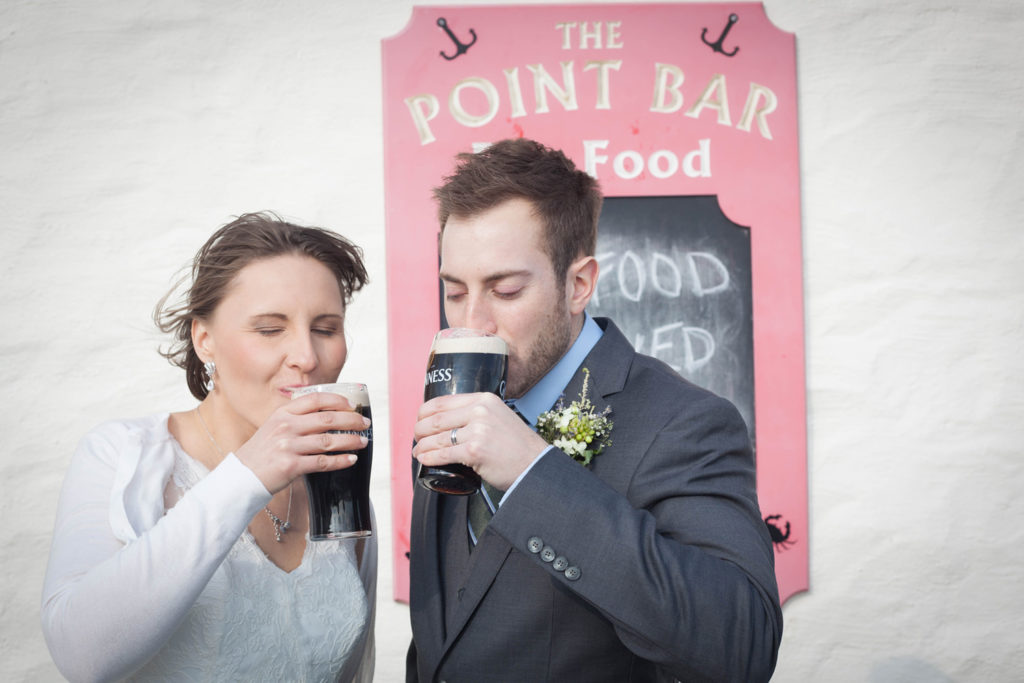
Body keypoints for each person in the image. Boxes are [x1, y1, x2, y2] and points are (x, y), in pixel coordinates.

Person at [407, 139, 783, 682]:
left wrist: (533, 476)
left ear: (579, 284)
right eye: (454, 290)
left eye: (506, 290)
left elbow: (741, 645)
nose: (474, 322)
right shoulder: (450, 399)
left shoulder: (686, 422)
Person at [41, 212, 376, 682]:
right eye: (269, 329)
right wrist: (247, 476)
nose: (306, 356)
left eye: (325, 328)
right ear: (205, 340)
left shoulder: (338, 479)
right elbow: (80, 655)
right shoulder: (125, 455)